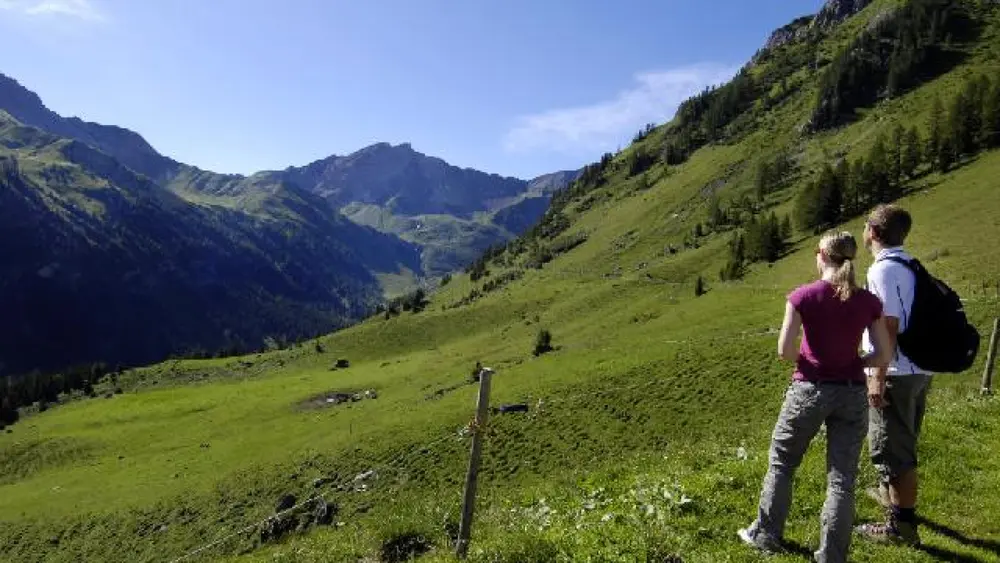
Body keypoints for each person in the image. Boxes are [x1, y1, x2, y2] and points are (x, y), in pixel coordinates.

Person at [739, 231, 892, 563]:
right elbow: (883, 354)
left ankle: (767, 534)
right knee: (842, 478)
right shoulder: (868, 302)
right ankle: (833, 555)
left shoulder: (803, 296)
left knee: (782, 462)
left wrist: (807, 361)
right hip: (852, 393)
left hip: (808, 388)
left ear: (821, 255)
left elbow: (784, 350)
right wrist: (855, 363)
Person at [855, 204, 930, 546]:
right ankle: (893, 500)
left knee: (893, 447)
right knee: (901, 440)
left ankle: (901, 527)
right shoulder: (909, 264)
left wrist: (876, 377)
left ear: (872, 231)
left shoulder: (883, 270)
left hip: (896, 370)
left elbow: (888, 324)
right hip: (917, 367)